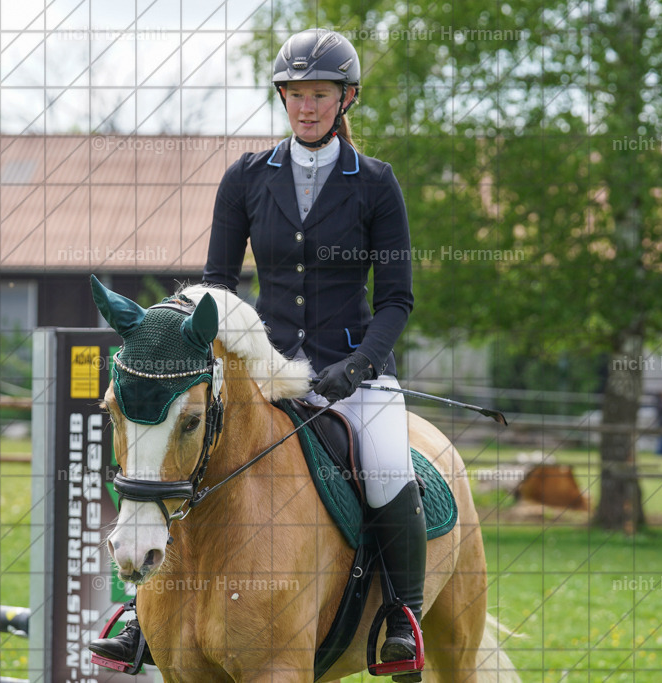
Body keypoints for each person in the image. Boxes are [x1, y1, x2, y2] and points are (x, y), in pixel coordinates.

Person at [89, 28, 425, 676]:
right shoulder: (246, 177)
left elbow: (397, 301)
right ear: (283, 98)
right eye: (296, 94)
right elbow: (217, 284)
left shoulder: (376, 184)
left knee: (386, 469)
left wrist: (360, 363)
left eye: (320, 95)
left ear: (346, 99)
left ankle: (399, 618)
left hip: (350, 373)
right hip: (263, 369)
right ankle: (144, 612)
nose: (307, 106)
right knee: (181, 460)